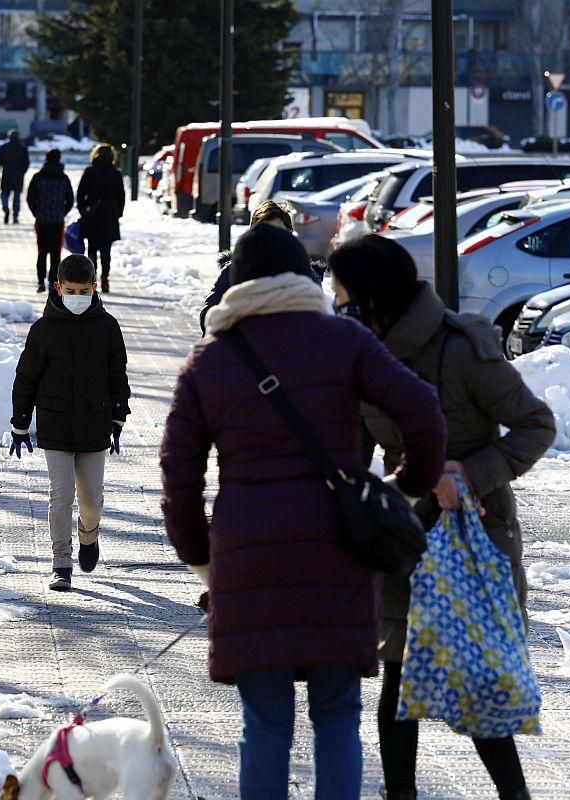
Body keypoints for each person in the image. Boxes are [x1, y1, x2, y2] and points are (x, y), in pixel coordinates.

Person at [161, 224, 447, 800]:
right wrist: (407, 486)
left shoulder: (209, 363)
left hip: (248, 559)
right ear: (302, 277)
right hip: (337, 548)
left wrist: (201, 558)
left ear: (237, 282)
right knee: (338, 715)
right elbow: (422, 408)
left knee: (264, 723)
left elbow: (179, 476)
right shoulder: (345, 341)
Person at [327, 235, 555, 800]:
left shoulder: (462, 347)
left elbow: (536, 425)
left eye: (343, 295)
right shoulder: (360, 354)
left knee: (477, 686)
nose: (336, 306)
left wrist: (469, 472)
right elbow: (351, 453)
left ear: (373, 298)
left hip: (472, 536)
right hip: (400, 538)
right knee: (398, 680)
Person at [10, 254, 131, 592]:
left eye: (84, 290)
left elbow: (117, 373)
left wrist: (119, 413)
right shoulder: (43, 330)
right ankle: (60, 562)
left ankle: (88, 536)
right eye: (71, 290)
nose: (77, 296)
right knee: (60, 495)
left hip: (95, 423)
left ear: (94, 288)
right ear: (58, 288)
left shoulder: (107, 327)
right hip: (56, 422)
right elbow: (26, 377)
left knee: (91, 499)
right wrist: (20, 422)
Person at [199, 200, 299, 333]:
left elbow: (316, 325)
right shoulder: (233, 271)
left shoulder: (304, 274)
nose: (273, 240)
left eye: (279, 233)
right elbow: (208, 315)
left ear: (289, 235)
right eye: (265, 234)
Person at [76, 143, 125, 293]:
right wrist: (118, 213)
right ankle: (105, 278)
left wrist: (83, 209)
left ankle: (92, 278)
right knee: (106, 251)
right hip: (109, 216)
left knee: (92, 248)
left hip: (92, 215)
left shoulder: (90, 171)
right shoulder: (115, 173)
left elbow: (80, 193)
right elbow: (121, 196)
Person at [26, 149, 75, 294]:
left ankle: (40, 281)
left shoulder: (38, 177)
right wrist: (61, 212)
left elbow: (30, 198)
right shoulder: (64, 178)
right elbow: (70, 200)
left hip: (41, 221)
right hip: (57, 222)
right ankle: (53, 282)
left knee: (41, 252)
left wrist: (37, 212)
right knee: (56, 254)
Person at [0, 129, 30, 224]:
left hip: (6, 175)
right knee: (17, 196)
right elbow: (26, 163)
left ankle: (6, 209)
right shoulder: (23, 148)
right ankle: (15, 216)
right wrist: (22, 172)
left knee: (4, 194)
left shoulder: (4, 147)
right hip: (18, 176)